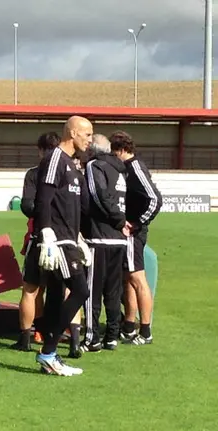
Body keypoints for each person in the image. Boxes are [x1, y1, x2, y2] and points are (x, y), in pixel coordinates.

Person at [32, 116, 93, 376]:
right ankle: (48, 351)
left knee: (57, 296)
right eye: (87, 134)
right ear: (72, 132)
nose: (90, 140)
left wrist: (79, 238)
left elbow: (70, 208)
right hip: (56, 240)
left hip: (69, 239)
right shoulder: (55, 158)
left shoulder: (73, 166)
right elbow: (43, 199)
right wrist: (46, 234)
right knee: (80, 290)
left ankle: (50, 356)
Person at [80, 133, 131, 352]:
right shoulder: (118, 168)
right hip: (118, 240)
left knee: (92, 290)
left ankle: (92, 338)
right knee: (112, 290)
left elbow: (97, 193)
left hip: (99, 236)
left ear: (92, 150)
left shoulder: (94, 166)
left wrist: (118, 220)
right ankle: (111, 336)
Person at [110, 131, 162, 345]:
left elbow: (154, 199)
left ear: (121, 150)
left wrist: (138, 223)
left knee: (138, 279)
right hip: (128, 231)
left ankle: (146, 330)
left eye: (114, 153)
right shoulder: (127, 168)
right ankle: (129, 326)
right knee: (128, 278)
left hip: (133, 232)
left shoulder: (135, 167)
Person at [12, 131, 61, 351]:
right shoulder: (69, 171)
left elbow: (26, 205)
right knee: (65, 289)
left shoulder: (34, 173)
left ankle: (27, 337)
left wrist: (43, 216)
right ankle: (69, 337)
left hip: (39, 236)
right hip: (64, 238)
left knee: (31, 289)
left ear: (40, 150)